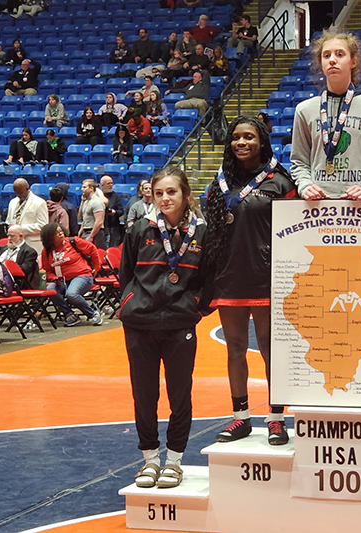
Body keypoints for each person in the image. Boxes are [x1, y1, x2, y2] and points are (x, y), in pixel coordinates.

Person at [204, 115, 296, 445]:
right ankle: (240, 417)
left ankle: (276, 417)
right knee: (236, 349)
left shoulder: (281, 182)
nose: (242, 142)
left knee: (272, 350)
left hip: (268, 277)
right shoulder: (218, 184)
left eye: (249, 137)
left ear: (262, 142)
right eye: (236, 138)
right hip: (230, 277)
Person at [120, 166, 214, 490]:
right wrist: (130, 302)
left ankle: (174, 461)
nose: (164, 198)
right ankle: (149, 460)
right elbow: (125, 274)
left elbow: (209, 278)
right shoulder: (139, 230)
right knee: (144, 395)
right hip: (140, 324)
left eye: (171, 192)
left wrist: (194, 307)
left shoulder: (202, 233)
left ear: (185, 194)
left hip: (179, 323)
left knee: (180, 395)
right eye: (158, 193)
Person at [291, 31, 361, 201]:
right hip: (317, 208)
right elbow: (299, 162)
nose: (332, 60)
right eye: (326, 55)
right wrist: (305, 186)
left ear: (353, 61)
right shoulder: (304, 110)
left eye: (340, 54)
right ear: (321, 63)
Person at [40, 223, 103, 326]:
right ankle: (70, 315)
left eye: (61, 231)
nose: (60, 234)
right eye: (56, 233)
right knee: (50, 290)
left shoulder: (73, 241)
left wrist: (96, 267)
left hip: (82, 275)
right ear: (49, 237)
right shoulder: (46, 252)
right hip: (63, 281)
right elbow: (46, 270)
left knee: (71, 294)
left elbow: (92, 249)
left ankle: (93, 314)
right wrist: (54, 278)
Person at [79, 179, 106, 250]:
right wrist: (81, 231)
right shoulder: (86, 202)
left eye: (84, 187)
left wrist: (91, 236)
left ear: (91, 188)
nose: (82, 189)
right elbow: (82, 216)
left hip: (95, 233)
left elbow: (99, 221)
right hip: (86, 231)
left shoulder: (97, 202)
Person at [101, 175, 125, 247]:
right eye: (108, 183)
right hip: (102, 226)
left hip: (113, 226)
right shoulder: (99, 196)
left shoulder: (116, 196)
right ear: (102, 185)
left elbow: (121, 211)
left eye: (112, 183)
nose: (111, 185)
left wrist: (115, 212)